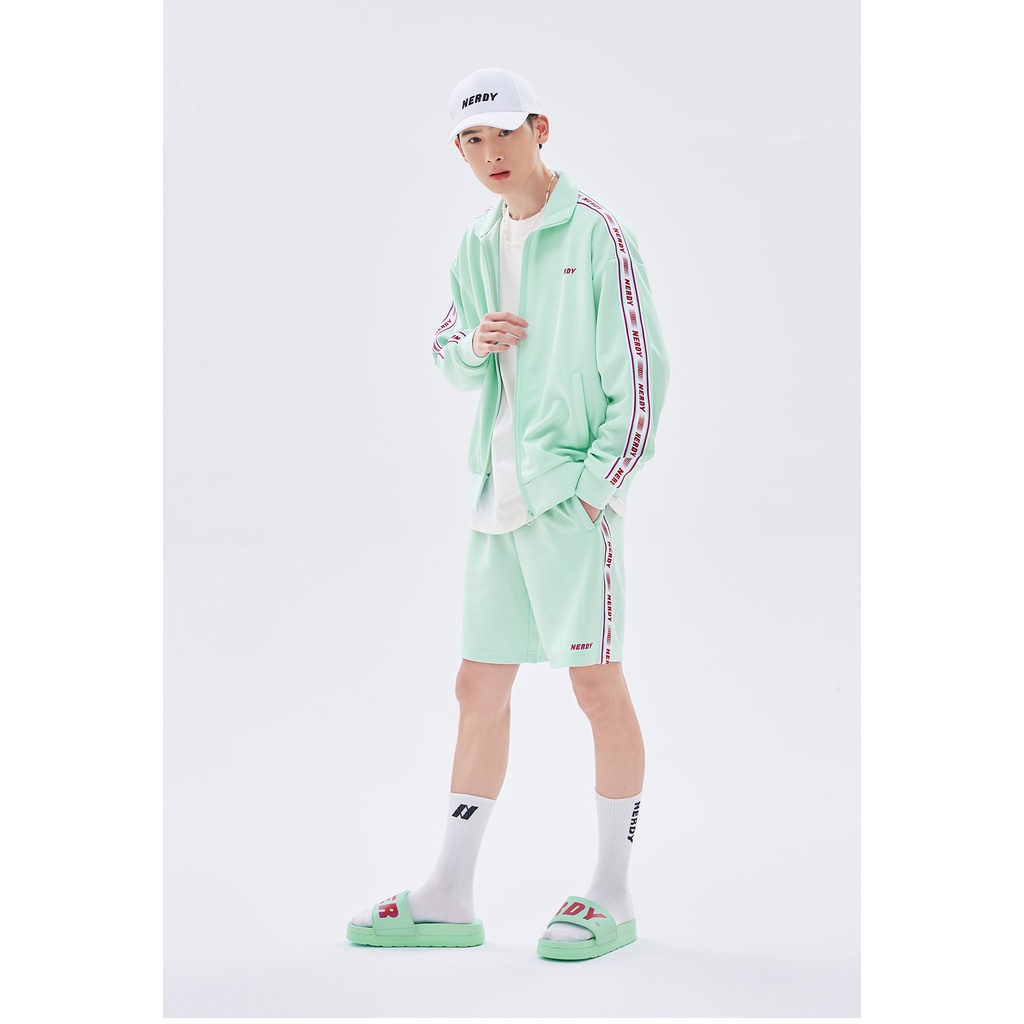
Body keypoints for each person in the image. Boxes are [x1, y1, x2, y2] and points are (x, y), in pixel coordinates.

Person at [347, 67, 669, 961]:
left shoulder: (600, 234)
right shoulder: (477, 243)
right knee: (477, 688)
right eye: (472, 141)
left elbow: (642, 377)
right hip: (496, 499)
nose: (490, 154)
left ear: (540, 129)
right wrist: (473, 343)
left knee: (595, 686)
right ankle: (449, 894)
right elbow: (448, 350)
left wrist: (597, 488)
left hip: (571, 504)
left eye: (504, 133)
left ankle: (613, 893)